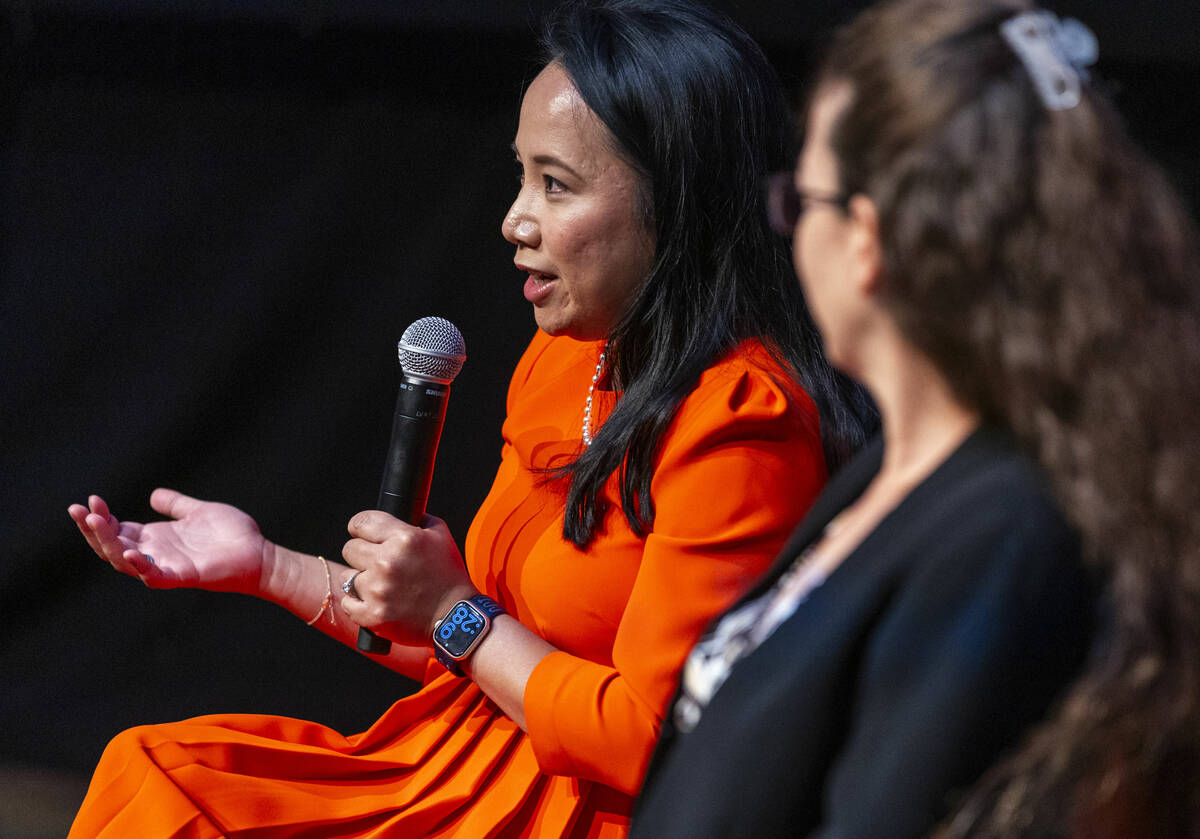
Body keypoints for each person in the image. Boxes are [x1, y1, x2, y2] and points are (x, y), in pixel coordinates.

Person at [65, 1, 875, 836]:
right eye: (520, 175)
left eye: (555, 185)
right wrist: (266, 564)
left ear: (677, 201)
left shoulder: (743, 424)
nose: (514, 220)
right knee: (162, 779)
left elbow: (656, 735)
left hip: (596, 812)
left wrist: (456, 612)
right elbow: (467, 645)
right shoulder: (570, 358)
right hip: (455, 772)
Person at [632, 0, 1200, 836]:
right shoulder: (893, 470)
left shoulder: (1005, 532)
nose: (789, 230)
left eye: (800, 200)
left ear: (865, 237)